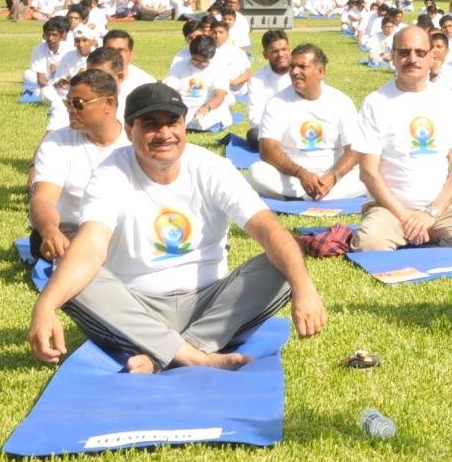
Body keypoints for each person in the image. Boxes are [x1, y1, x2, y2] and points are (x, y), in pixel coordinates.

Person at [27, 82, 328, 373]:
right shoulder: (110, 173)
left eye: (173, 123)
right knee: (72, 275)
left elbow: (270, 230)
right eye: (152, 124)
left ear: (184, 126)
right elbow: (91, 245)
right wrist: (44, 308)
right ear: (130, 130)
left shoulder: (211, 168)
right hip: (135, 307)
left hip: (210, 303)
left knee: (286, 263)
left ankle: (167, 352)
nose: (165, 134)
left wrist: (305, 289)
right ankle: (193, 356)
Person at [353, 26, 452, 252]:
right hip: (390, 208)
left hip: (440, 207)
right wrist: (405, 216)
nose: (412, 59)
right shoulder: (376, 102)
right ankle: (409, 231)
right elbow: (368, 172)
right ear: (393, 57)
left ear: (431, 57)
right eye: (404, 52)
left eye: (420, 52)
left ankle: (426, 230)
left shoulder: (447, 100)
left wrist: (431, 212)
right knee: (371, 246)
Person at [29, 69, 129, 261]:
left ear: (108, 103)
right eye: (68, 103)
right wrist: (50, 231)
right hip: (70, 230)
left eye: (78, 104)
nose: (70, 109)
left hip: (122, 230)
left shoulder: (133, 140)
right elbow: (43, 199)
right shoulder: (56, 143)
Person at [249, 44, 364, 200]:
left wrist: (333, 176)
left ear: (321, 72)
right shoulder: (277, 103)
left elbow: (355, 149)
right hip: (292, 177)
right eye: (292, 67)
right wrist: (301, 173)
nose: (295, 72)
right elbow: (267, 149)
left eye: (302, 67)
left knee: (370, 172)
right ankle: (317, 196)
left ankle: (304, 196)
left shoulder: (341, 102)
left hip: (332, 176)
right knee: (257, 172)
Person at [164, 35, 233, 132]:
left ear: (211, 57)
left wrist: (207, 107)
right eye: (195, 60)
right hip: (183, 107)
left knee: (204, 121)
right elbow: (170, 89)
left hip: (209, 108)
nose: (199, 64)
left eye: (204, 61)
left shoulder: (219, 67)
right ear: (191, 55)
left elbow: (219, 95)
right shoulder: (179, 65)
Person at [245, 29, 293, 148]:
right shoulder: (257, 80)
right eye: (275, 51)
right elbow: (254, 118)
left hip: (302, 124)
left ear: (290, 49)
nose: (281, 54)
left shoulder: (301, 71)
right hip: (273, 129)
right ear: (265, 54)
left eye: (284, 49)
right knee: (253, 135)